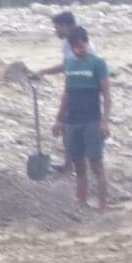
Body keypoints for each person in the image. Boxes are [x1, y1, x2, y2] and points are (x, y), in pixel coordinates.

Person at [27, 11, 98, 173]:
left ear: (66, 26)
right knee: (68, 128)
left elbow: (69, 67)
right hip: (78, 89)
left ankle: (77, 165)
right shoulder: (68, 43)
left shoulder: (77, 44)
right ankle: (70, 164)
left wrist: (43, 71)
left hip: (82, 91)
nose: (56, 31)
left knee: (71, 126)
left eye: (57, 27)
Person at [51, 27, 112, 211]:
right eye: (75, 47)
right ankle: (82, 203)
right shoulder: (69, 64)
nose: (79, 50)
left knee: (96, 164)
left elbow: (107, 94)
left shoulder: (98, 63)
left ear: (86, 42)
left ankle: (102, 206)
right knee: (78, 165)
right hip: (72, 121)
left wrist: (104, 121)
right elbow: (67, 94)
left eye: (81, 45)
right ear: (71, 47)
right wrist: (58, 120)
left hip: (92, 120)